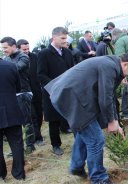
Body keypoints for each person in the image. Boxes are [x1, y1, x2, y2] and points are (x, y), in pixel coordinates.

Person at [44, 53, 128, 184]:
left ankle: (76, 166)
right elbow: (105, 97)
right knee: (96, 139)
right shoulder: (110, 66)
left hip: (66, 95)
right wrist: (111, 122)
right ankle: (98, 179)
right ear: (124, 64)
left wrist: (116, 122)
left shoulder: (109, 63)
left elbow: (109, 96)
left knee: (85, 132)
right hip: (70, 97)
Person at [37, 27, 75, 156]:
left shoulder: (68, 53)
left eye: (66, 38)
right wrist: (56, 86)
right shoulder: (44, 54)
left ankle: (78, 141)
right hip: (52, 92)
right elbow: (41, 75)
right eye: (62, 38)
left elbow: (73, 71)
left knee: (73, 116)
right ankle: (56, 145)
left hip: (68, 91)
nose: (66, 41)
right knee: (54, 120)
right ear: (54, 37)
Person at [1, 37, 36, 154]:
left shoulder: (23, 57)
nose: (3, 50)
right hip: (11, 95)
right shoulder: (6, 59)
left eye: (5, 47)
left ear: (14, 46)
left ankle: (30, 145)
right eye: (2, 48)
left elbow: (15, 69)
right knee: (15, 124)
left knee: (26, 120)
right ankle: (17, 148)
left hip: (23, 93)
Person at [0, 59, 26, 180]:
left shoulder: (10, 65)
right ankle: (19, 173)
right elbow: (18, 88)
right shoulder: (10, 66)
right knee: (16, 143)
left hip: (11, 110)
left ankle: (1, 174)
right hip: (11, 109)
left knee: (16, 143)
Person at [17, 39, 45, 146]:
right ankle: (37, 137)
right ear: (19, 49)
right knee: (32, 115)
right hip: (25, 92)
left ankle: (37, 133)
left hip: (37, 89)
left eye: (28, 48)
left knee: (39, 113)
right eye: (24, 49)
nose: (26, 51)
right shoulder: (18, 60)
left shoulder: (35, 57)